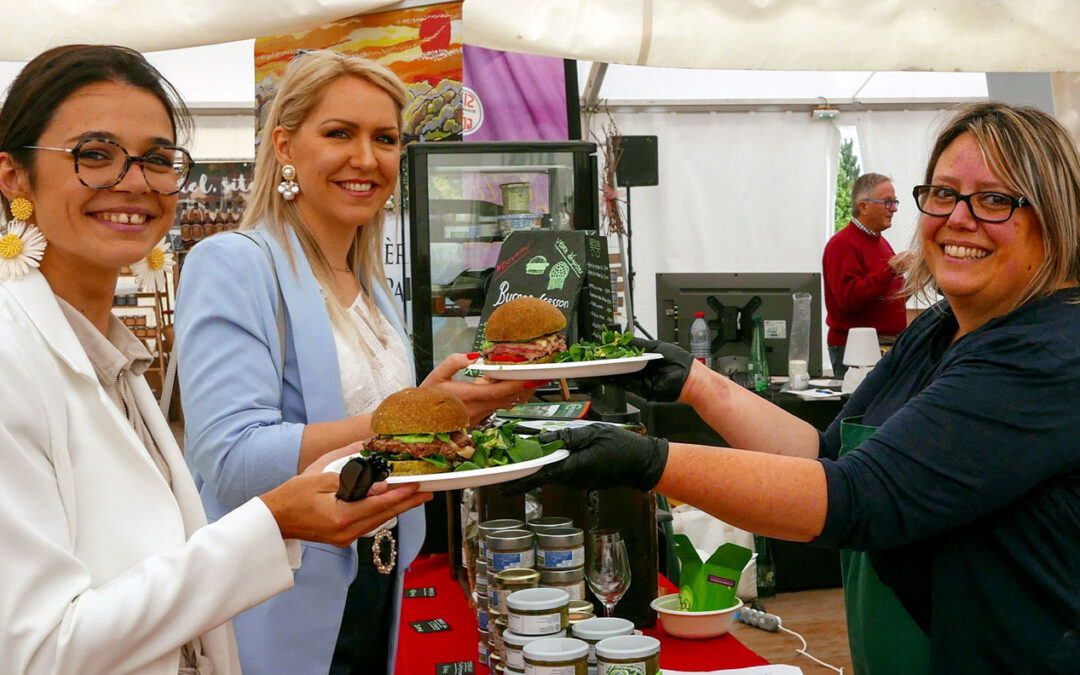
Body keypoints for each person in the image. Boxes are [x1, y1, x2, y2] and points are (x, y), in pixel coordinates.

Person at [516, 102, 1080, 673]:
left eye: (994, 199)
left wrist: (648, 461)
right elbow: (825, 454)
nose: (959, 217)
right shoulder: (938, 330)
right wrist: (696, 382)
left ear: (1054, 217)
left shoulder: (1050, 352)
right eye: (942, 193)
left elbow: (856, 496)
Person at [0, 44, 430, 675]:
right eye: (94, 155)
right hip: (285, 610)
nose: (133, 181)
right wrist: (273, 522)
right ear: (14, 178)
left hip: (362, 581)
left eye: (155, 159)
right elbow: (37, 649)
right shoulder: (16, 358)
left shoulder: (115, 359)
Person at [174, 50, 530, 675]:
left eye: (385, 138)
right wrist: (410, 420)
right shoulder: (234, 263)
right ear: (284, 146)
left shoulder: (367, 281)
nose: (366, 158)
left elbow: (365, 418)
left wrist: (442, 403)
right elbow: (232, 460)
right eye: (339, 133)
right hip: (279, 594)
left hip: (378, 574)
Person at [823, 172, 908, 377]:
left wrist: (912, 285)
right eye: (888, 202)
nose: (894, 209)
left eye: (895, 202)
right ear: (863, 206)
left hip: (883, 347)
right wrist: (891, 269)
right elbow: (848, 300)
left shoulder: (880, 243)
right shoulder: (842, 245)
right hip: (858, 351)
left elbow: (882, 295)